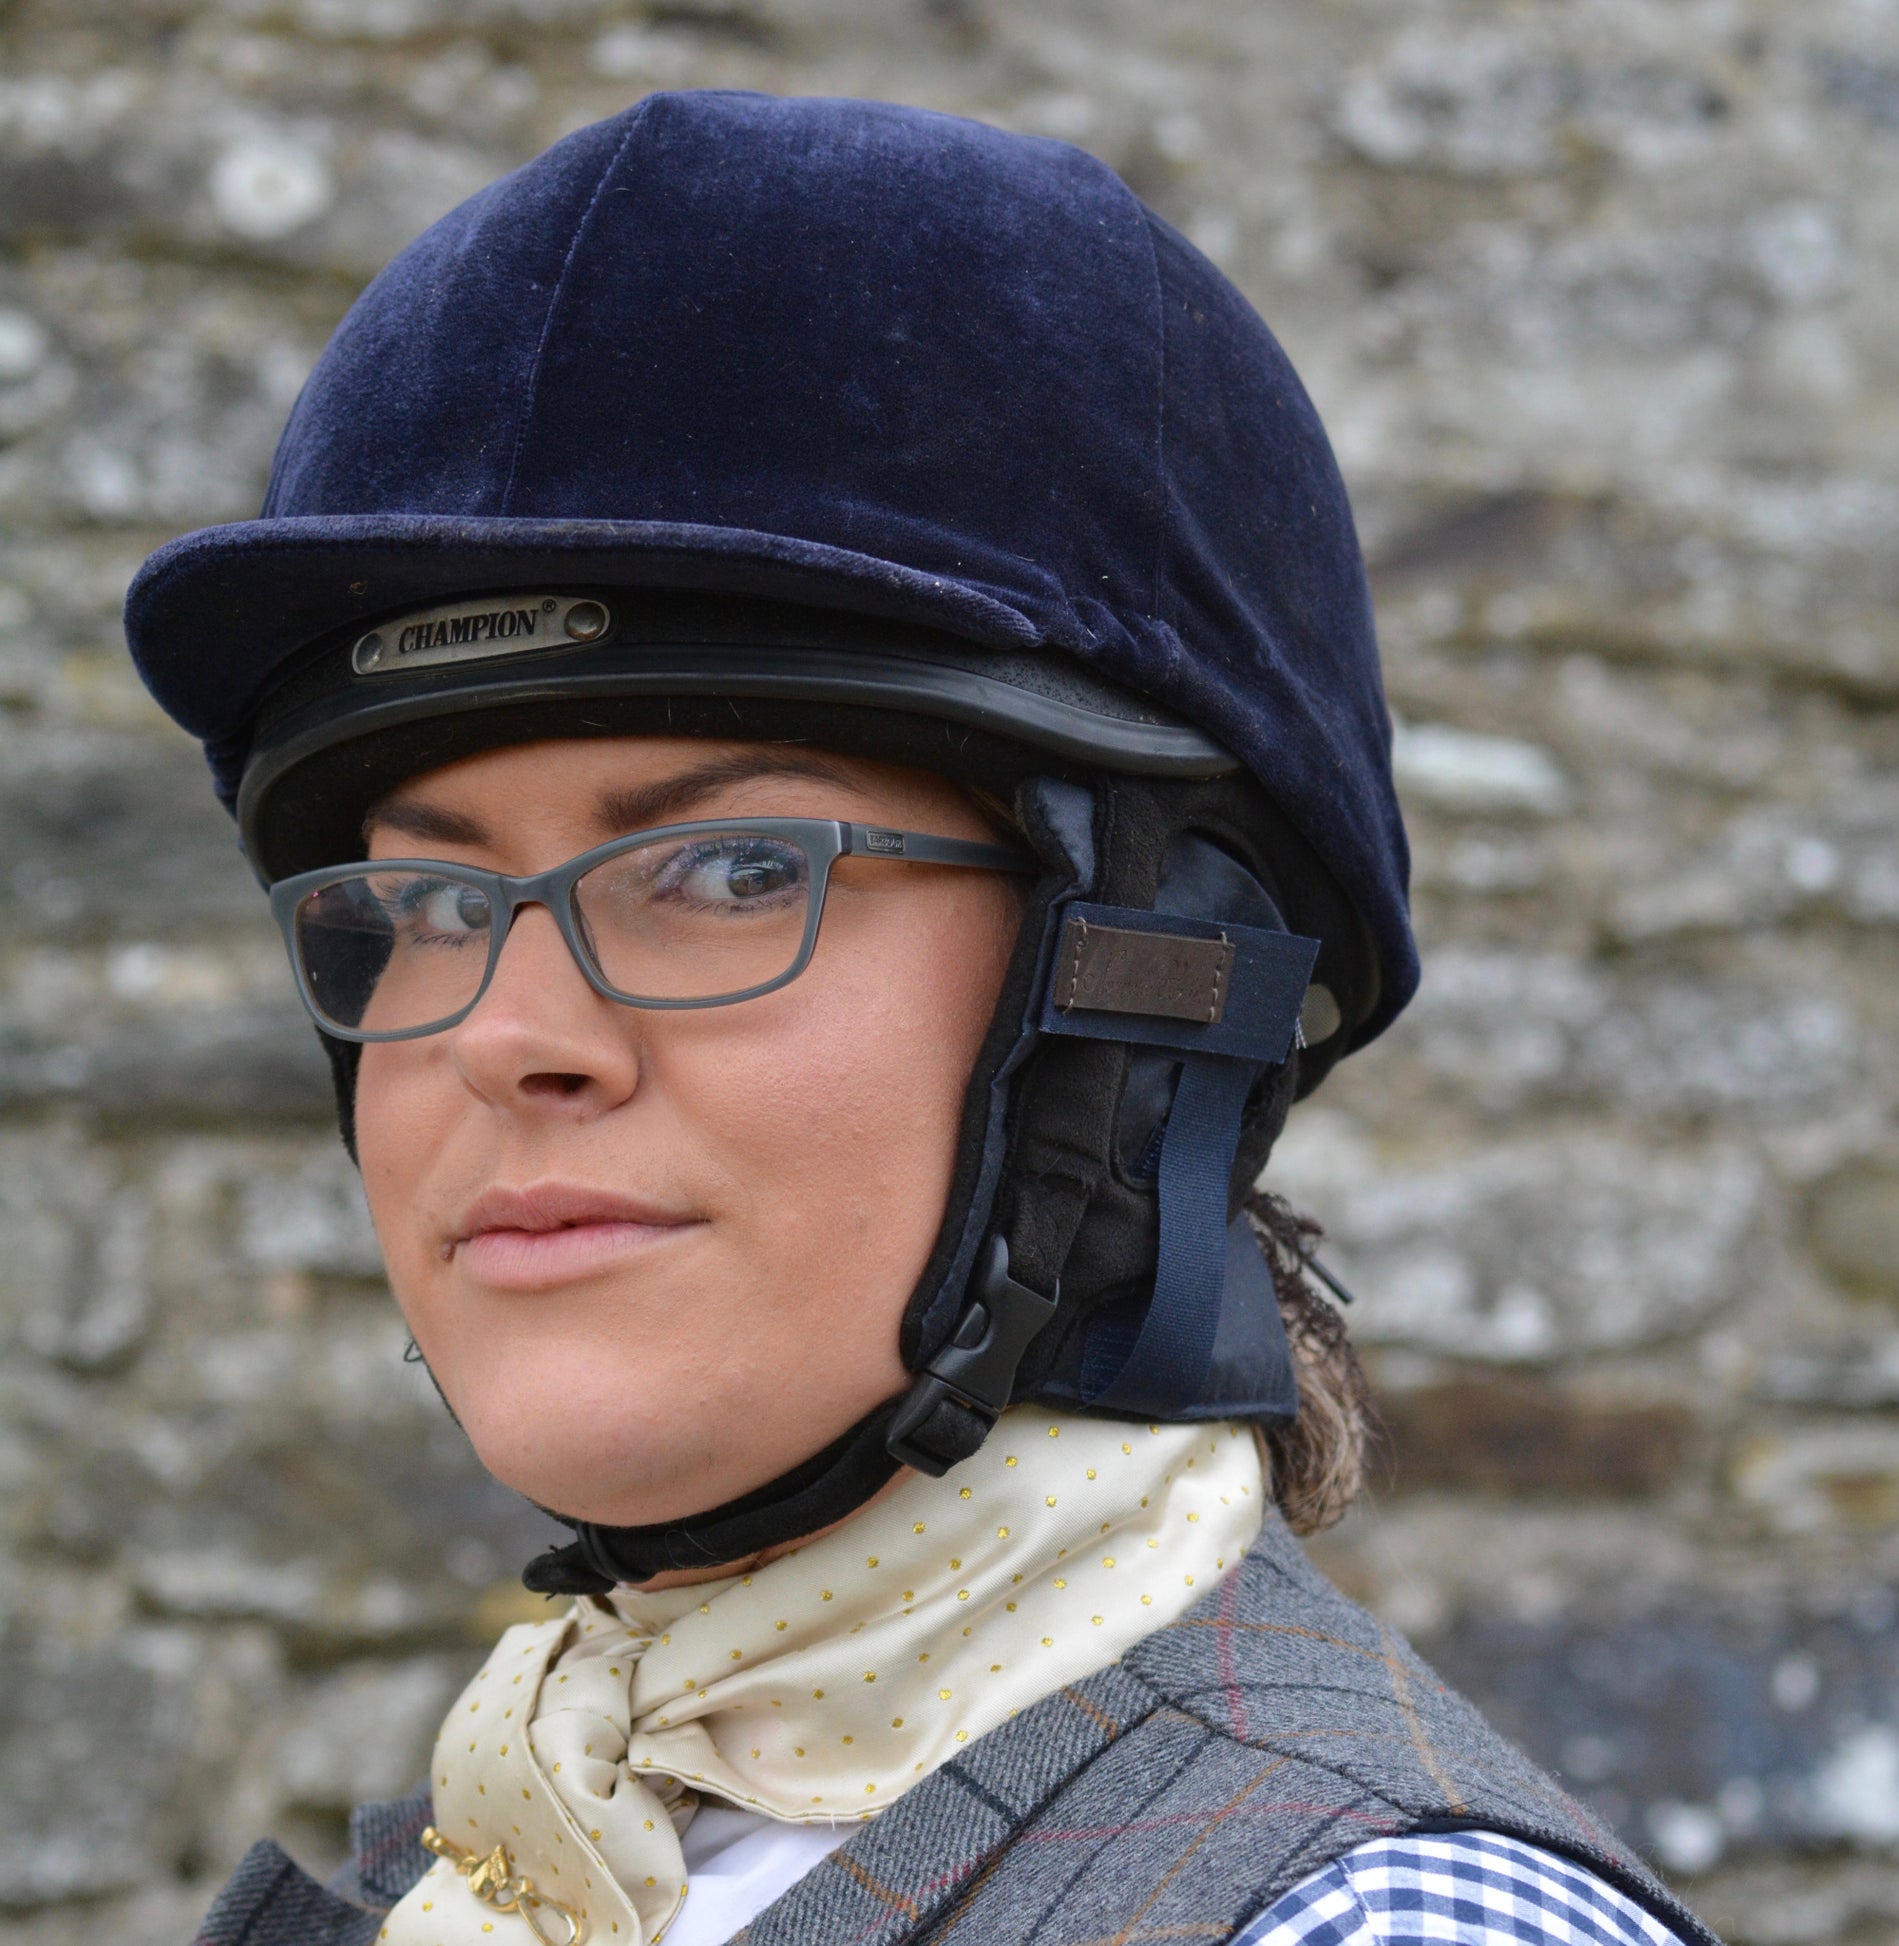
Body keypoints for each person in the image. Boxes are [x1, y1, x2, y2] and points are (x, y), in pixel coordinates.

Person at [125, 92, 1717, 1946]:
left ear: (1146, 981)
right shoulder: (520, 1861)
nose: (504, 1033)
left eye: (728, 872)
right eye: (433, 901)